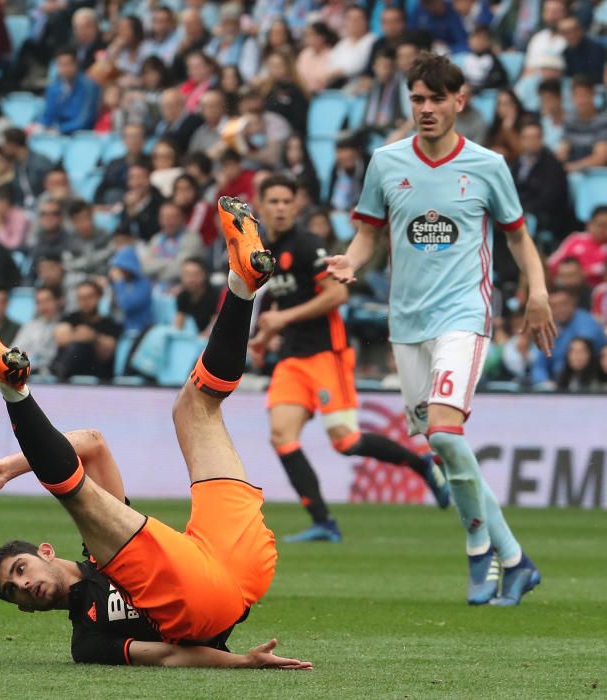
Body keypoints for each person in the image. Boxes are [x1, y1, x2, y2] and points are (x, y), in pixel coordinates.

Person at [0, 197, 312, 670]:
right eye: (14, 594)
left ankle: (242, 285)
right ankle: (13, 389)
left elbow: (93, 442)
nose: (24, 588)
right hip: (207, 601)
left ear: (44, 552)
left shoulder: (105, 548)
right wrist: (243, 662)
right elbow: (169, 656)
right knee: (85, 503)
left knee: (194, 408)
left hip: (224, 558)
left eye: (20, 570)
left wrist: (12, 466)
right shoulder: (87, 641)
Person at [327, 52, 558, 605]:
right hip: (406, 323)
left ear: (460, 100)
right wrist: (352, 262)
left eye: (436, 99)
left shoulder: (487, 165)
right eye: (417, 99)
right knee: (444, 448)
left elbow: (518, 237)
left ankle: (481, 550)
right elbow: (369, 234)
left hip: (464, 315)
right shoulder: (385, 161)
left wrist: (539, 291)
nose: (426, 109)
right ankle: (516, 559)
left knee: (446, 433)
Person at [250, 174, 450, 543]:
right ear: (261, 205)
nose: (279, 208)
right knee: (282, 436)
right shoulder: (266, 253)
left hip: (327, 353)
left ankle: (422, 465)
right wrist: (264, 337)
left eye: (285, 201)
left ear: (296, 205)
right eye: (273, 201)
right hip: (292, 359)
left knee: (345, 440)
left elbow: (336, 297)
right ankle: (324, 522)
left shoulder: (309, 246)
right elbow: (279, 303)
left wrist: (282, 319)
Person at [530, 286, 606, 388]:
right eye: (553, 306)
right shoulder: (548, 327)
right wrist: (544, 382)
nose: (559, 310)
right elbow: (539, 364)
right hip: (559, 383)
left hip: (588, 382)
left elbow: (580, 361)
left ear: (573, 304)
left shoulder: (586, 323)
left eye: (563, 304)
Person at [52, 280, 121, 381]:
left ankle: (59, 371)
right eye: (81, 298)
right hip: (70, 370)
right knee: (76, 346)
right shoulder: (71, 318)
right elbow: (60, 337)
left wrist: (94, 337)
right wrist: (81, 336)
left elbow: (108, 352)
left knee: (80, 346)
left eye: (89, 297)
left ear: (99, 297)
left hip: (96, 373)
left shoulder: (108, 323)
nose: (85, 302)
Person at [36, 48, 100, 135]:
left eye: (67, 64)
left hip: (81, 135)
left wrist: (59, 130)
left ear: (76, 64)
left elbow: (84, 119)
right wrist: (40, 126)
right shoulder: (53, 88)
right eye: (60, 65)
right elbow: (48, 115)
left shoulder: (89, 86)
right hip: (58, 134)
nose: (64, 69)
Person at [556, 76, 607, 174]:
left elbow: (601, 158)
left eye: (584, 95)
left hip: (598, 177)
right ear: (572, 98)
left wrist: (573, 167)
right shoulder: (569, 120)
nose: (581, 101)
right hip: (573, 175)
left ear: (593, 95)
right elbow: (562, 151)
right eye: (577, 96)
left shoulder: (604, 120)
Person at [10, 285, 64, 376]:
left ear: (58, 301)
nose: (43, 306)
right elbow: (13, 352)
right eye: (39, 302)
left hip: (56, 376)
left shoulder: (66, 325)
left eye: (47, 301)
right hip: (27, 373)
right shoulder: (30, 326)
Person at [548, 207, 607, 289]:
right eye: (601, 225)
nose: (603, 230)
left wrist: (584, 272)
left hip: (596, 290)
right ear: (590, 224)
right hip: (566, 287)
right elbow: (552, 263)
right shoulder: (576, 239)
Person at [174, 257, 220, 335]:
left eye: (196, 274)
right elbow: (178, 325)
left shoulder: (216, 295)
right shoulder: (182, 296)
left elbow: (214, 326)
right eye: (186, 274)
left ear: (205, 274)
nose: (190, 279)